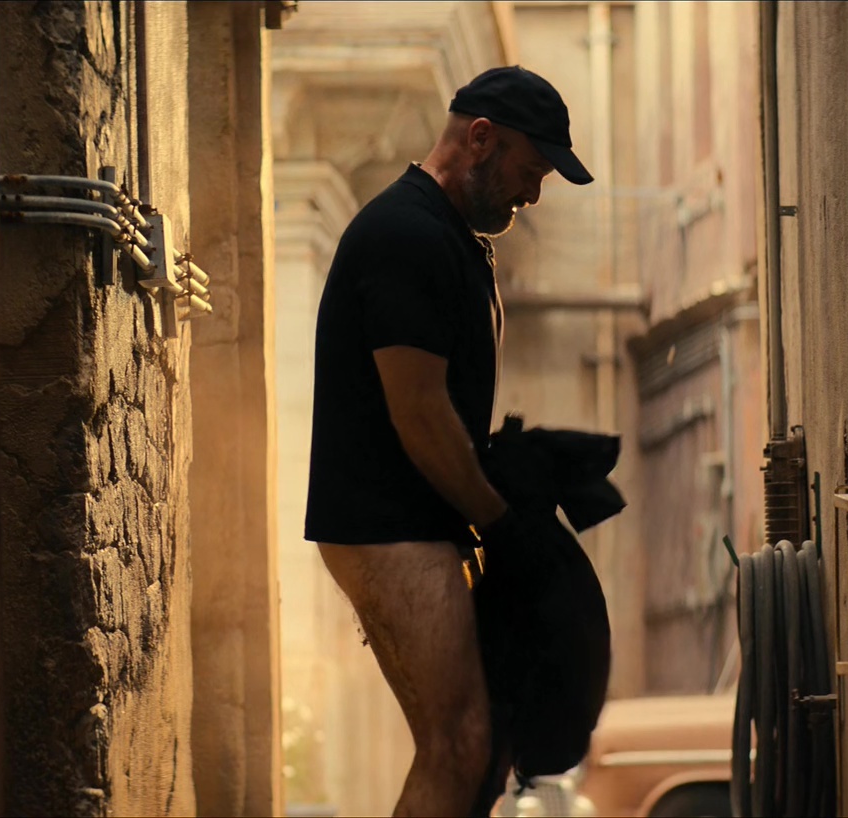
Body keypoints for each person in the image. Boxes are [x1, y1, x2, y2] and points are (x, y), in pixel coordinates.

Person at [303, 66, 594, 817]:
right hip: (389, 531)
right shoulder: (407, 234)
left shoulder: (448, 237)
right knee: (459, 744)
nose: (533, 196)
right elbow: (420, 413)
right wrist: (503, 527)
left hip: (415, 529)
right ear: (481, 138)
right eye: (531, 171)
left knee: (483, 748)